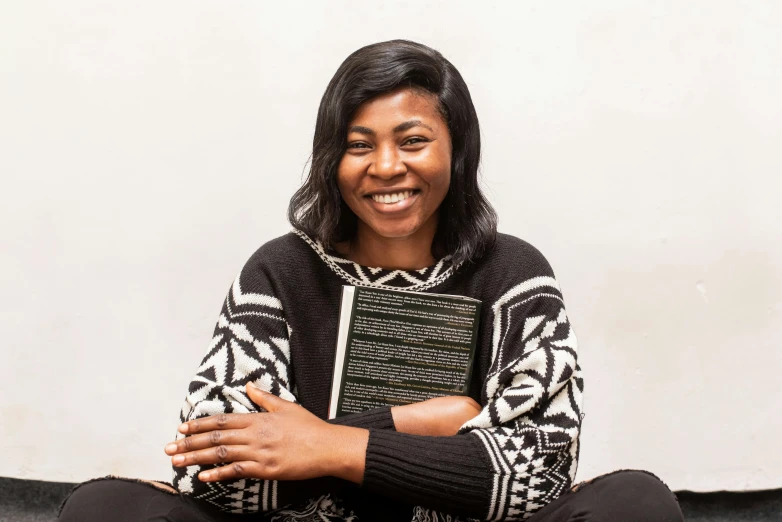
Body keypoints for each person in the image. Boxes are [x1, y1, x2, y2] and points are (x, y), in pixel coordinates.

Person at [59, 40, 684, 522]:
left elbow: (538, 474)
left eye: (413, 141)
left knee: (637, 502)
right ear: (332, 159)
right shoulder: (279, 270)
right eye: (360, 145)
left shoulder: (515, 274)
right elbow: (216, 470)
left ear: (456, 151)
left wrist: (324, 444)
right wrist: (432, 423)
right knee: (104, 510)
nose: (387, 168)